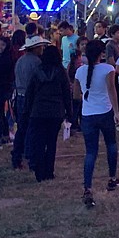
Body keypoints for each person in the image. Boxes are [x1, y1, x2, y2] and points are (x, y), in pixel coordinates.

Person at [75, 40, 119, 208]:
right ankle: (111, 178)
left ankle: (87, 188)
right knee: (111, 144)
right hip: (105, 112)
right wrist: (117, 112)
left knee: (90, 152)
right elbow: (112, 90)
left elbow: (76, 94)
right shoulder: (108, 69)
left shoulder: (80, 71)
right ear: (101, 53)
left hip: (88, 114)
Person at [23, 46, 74, 182]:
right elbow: (66, 94)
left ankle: (39, 171)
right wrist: (69, 112)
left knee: (38, 142)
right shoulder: (61, 72)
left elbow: (30, 93)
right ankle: (49, 171)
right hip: (55, 111)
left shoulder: (37, 71)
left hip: (38, 110)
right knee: (51, 142)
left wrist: (27, 111)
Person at [11, 35, 48, 170]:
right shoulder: (36, 62)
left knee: (22, 128)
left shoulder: (21, 60)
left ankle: (17, 156)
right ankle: (30, 155)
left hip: (20, 96)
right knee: (32, 128)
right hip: (30, 97)